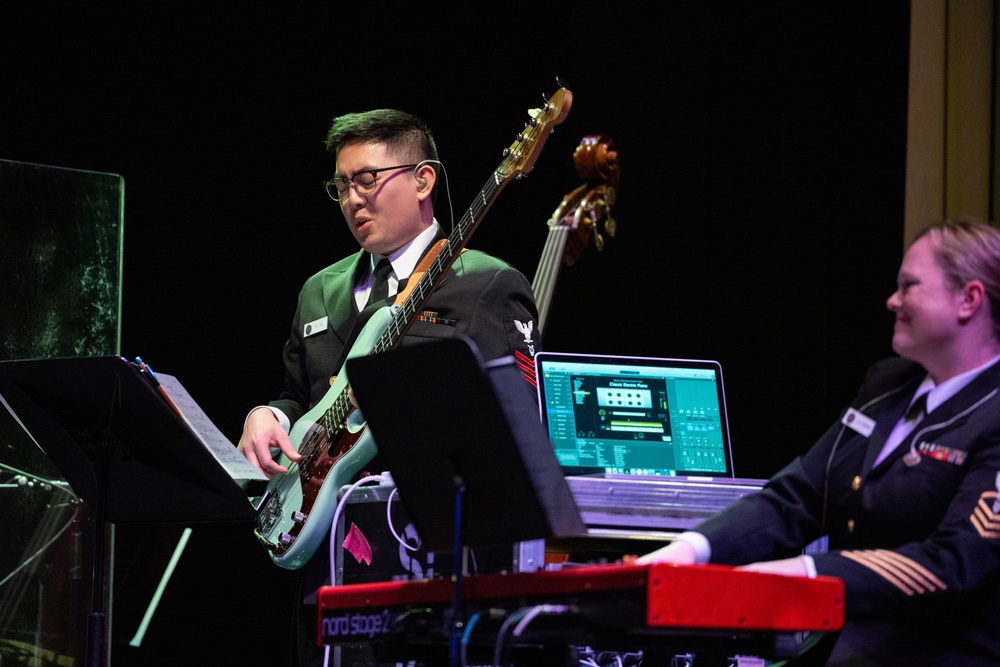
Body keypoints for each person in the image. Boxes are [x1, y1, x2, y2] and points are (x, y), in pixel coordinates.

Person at [236, 108, 541, 666]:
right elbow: (300, 396)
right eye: (342, 185)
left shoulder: (485, 283)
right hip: (318, 561)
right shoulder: (318, 288)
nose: (354, 198)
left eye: (369, 179)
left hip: (421, 564)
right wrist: (268, 415)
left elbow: (513, 423)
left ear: (423, 179)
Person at [638, 218, 1000, 666]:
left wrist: (806, 573)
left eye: (909, 286)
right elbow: (797, 498)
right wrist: (682, 553)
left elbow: (954, 562)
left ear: (969, 299)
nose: (892, 301)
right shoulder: (889, 385)